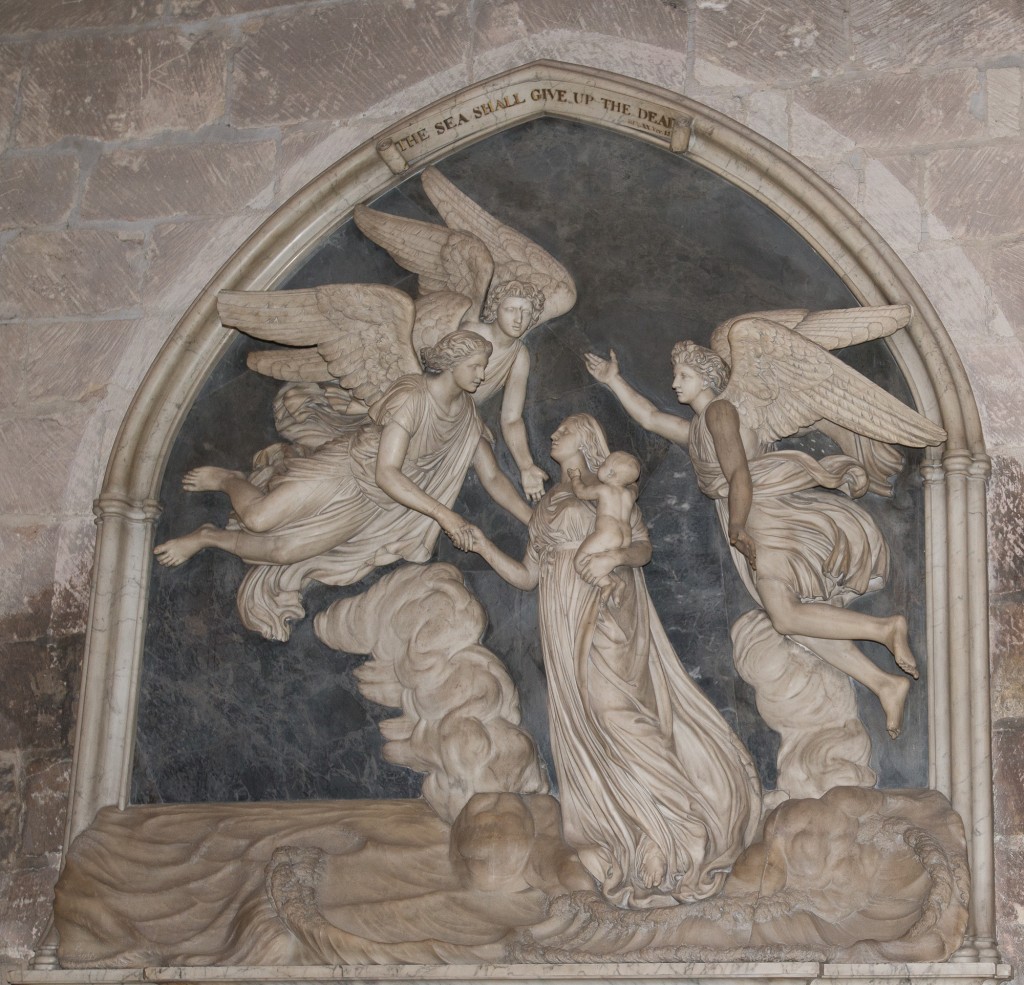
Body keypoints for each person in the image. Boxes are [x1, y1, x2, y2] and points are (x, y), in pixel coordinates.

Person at [465, 413, 761, 908]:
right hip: (560, 621)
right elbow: (524, 577)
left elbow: (641, 548)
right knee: (589, 729)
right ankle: (638, 831)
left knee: (616, 713)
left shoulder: (610, 490)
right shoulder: (545, 507)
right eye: (555, 430)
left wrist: (613, 559)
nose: (553, 434)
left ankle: (683, 819)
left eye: (564, 429)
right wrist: (482, 545)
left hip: (608, 610)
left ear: (586, 438)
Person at [585, 345, 916, 738]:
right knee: (794, 621)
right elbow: (651, 416)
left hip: (761, 516)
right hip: (746, 518)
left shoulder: (720, 413)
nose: (674, 383)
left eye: (683, 376)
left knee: (785, 615)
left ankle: (885, 629)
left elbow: (739, 473)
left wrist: (739, 525)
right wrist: (613, 380)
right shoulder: (697, 429)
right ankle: (884, 683)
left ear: (708, 379)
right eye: (675, 376)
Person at [154, 331, 533, 640]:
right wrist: (446, 517)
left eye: (483, 366)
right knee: (257, 517)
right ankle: (229, 479)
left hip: (370, 506)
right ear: (451, 364)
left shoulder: (466, 417)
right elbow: (387, 471)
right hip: (346, 472)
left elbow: (494, 477)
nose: (482, 375)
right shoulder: (413, 398)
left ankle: (207, 536)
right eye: (475, 366)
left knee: (285, 552)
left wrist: (533, 520)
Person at [566, 450, 641, 606]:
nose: (601, 465)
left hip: (608, 534)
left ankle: (606, 583)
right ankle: (617, 582)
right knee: (603, 560)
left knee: (580, 561)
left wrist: (575, 478)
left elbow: (581, 492)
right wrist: (632, 482)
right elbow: (635, 489)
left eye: (604, 464)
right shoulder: (629, 495)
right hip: (626, 538)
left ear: (611, 473)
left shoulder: (603, 490)